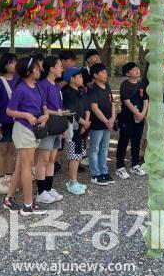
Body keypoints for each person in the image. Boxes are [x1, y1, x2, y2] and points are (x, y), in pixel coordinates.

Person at [4, 56, 49, 216]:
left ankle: (8, 199)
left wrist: (46, 116)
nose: (40, 70)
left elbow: (44, 107)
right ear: (29, 71)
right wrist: (26, 115)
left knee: (22, 166)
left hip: (33, 130)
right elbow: (9, 111)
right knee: (27, 165)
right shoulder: (21, 88)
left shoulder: (37, 86)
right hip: (24, 130)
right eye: (37, 68)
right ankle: (28, 205)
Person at [35, 56, 66, 204]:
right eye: (59, 66)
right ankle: (41, 191)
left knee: (52, 158)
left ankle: (48, 188)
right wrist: (58, 113)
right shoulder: (43, 85)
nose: (62, 68)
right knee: (43, 159)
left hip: (57, 125)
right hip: (48, 125)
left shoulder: (55, 85)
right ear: (51, 68)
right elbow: (43, 107)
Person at [116, 62, 148, 179]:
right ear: (128, 73)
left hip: (140, 118)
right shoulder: (125, 85)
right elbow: (126, 101)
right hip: (127, 117)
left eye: (137, 69)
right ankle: (120, 167)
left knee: (136, 141)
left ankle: (135, 164)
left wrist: (142, 114)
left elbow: (145, 100)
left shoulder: (142, 85)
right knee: (124, 141)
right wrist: (137, 113)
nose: (137, 71)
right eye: (134, 69)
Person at [61, 67, 91, 195]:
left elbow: (87, 108)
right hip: (73, 128)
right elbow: (71, 112)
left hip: (83, 128)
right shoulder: (67, 93)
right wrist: (84, 123)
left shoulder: (82, 92)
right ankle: (72, 182)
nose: (82, 78)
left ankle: (74, 181)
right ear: (72, 79)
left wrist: (86, 123)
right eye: (79, 76)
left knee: (79, 154)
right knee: (74, 156)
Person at [0, 52, 17, 194]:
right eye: (12, 62)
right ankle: (0, 178)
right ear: (6, 64)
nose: (15, 65)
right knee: (2, 150)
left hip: (15, 121)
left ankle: (9, 176)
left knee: (11, 150)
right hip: (2, 121)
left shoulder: (18, 80)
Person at [88, 63, 115, 185]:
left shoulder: (107, 87)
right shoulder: (93, 89)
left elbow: (112, 103)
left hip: (108, 123)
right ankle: (95, 174)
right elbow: (94, 107)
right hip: (98, 124)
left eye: (105, 72)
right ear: (95, 75)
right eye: (103, 72)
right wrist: (106, 121)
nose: (105, 74)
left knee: (104, 148)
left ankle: (104, 171)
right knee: (95, 149)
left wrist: (113, 118)